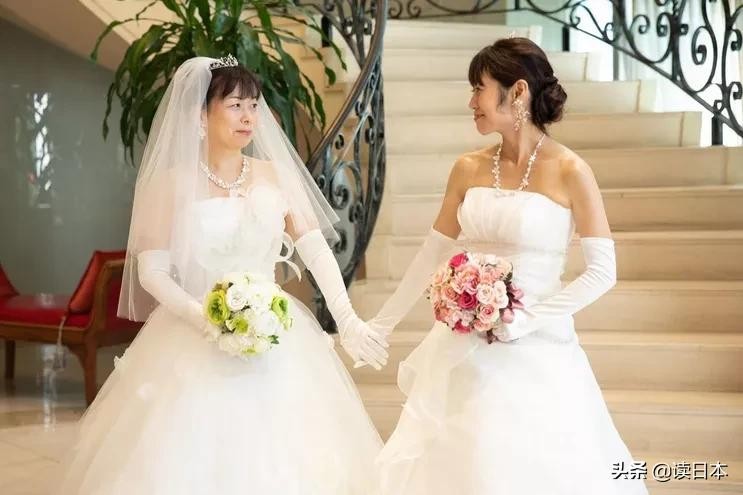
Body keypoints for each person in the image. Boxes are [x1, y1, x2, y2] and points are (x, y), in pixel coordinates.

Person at [54, 55, 388, 494]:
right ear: (200, 116)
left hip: (274, 331)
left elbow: (315, 248)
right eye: (234, 105)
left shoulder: (275, 175)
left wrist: (346, 317)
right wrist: (207, 319)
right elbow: (153, 273)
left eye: (253, 106)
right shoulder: (168, 184)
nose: (248, 117)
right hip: (192, 330)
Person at [370, 38, 649, 494]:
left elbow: (603, 271)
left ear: (517, 92)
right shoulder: (467, 168)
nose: (471, 102)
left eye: (478, 89)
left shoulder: (571, 171)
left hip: (537, 345)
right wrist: (382, 325)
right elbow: (433, 254)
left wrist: (525, 320)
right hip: (463, 344)